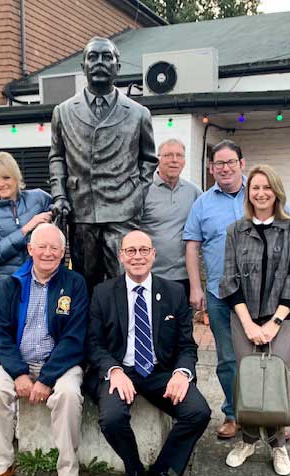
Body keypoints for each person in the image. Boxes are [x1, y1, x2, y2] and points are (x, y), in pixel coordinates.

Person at [86, 230, 211, 476]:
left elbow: (186, 345)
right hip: (122, 369)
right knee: (112, 418)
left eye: (144, 250)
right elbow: (93, 344)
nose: (138, 256)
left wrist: (182, 373)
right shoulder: (103, 293)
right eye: (131, 251)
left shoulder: (174, 292)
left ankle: (159, 472)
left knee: (198, 412)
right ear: (121, 257)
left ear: (154, 254)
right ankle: (133, 471)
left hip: (159, 371)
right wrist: (114, 371)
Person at [0, 223, 89, 476]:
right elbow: (0, 333)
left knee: (68, 395)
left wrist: (46, 379)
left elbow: (74, 338)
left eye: (55, 248)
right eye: (42, 246)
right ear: (30, 249)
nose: (48, 253)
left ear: (63, 252)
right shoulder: (12, 283)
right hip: (18, 361)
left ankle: (68, 475)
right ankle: (3, 466)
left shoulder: (74, 283)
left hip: (59, 365)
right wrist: (18, 373)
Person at [219, 164, 290, 476]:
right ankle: (246, 440)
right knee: (244, 380)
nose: (260, 193)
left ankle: (278, 445)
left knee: (274, 381)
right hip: (244, 317)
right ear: (249, 193)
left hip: (283, 317)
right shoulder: (235, 230)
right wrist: (247, 324)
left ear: (276, 192)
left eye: (266, 187)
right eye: (255, 188)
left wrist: (273, 323)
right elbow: (229, 280)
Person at [49, 36, 158, 294]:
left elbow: (149, 160)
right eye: (93, 57)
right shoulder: (63, 112)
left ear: (117, 66)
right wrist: (59, 195)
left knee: (124, 282)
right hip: (81, 210)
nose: (100, 62)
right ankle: (90, 335)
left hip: (123, 210)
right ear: (83, 65)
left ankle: (123, 334)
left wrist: (135, 198)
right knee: (85, 284)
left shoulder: (138, 113)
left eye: (107, 57)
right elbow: (57, 158)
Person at [183, 139, 247, 440]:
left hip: (259, 295)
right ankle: (233, 414)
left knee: (265, 357)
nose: (224, 168)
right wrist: (196, 287)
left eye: (230, 162)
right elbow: (192, 246)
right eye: (218, 164)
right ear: (211, 169)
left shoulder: (261, 193)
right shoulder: (203, 203)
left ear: (241, 164)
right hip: (220, 294)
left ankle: (269, 415)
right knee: (228, 358)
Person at [0, 152, 52, 319]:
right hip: (4, 292)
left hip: (41, 286)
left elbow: (61, 211)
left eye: (6, 177)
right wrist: (27, 228)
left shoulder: (38, 197)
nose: (1, 183)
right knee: (5, 344)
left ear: (16, 177)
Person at [141, 138, 202, 302]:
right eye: (168, 155)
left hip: (183, 277)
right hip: (149, 275)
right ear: (157, 159)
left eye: (179, 156)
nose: (174, 160)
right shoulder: (142, 191)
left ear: (184, 161)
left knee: (181, 326)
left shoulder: (194, 192)